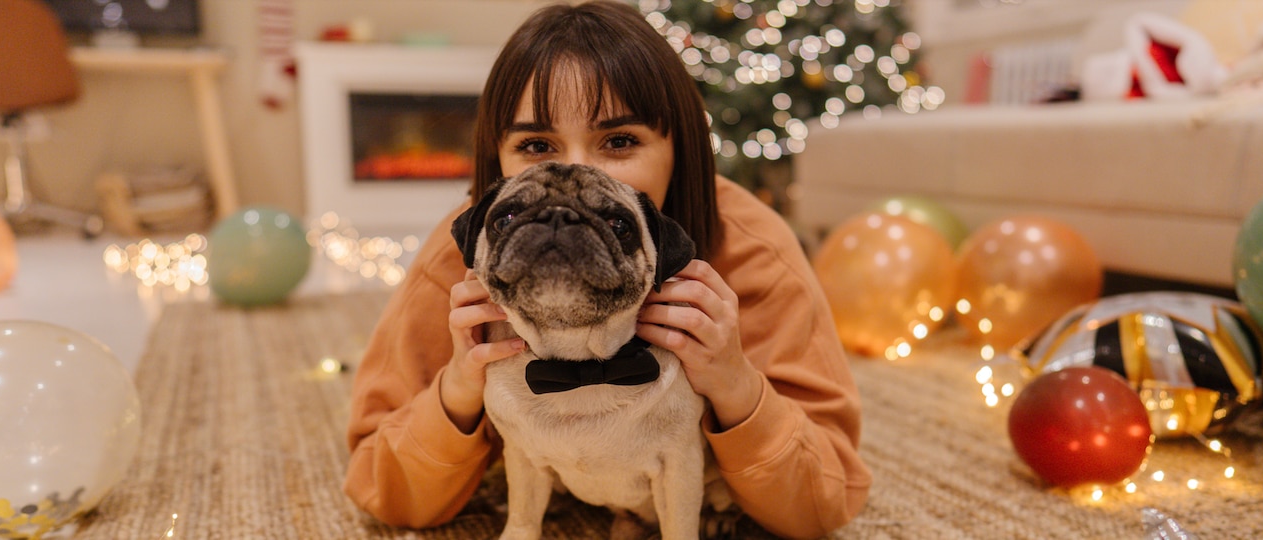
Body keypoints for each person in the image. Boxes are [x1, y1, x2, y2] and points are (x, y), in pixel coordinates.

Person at [343, 2, 871, 537]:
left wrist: (736, 385)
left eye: (619, 141)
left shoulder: (754, 250)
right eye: (536, 146)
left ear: (681, 150)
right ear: (494, 160)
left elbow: (825, 503)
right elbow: (377, 486)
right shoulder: (460, 255)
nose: (579, 172)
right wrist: (458, 389)